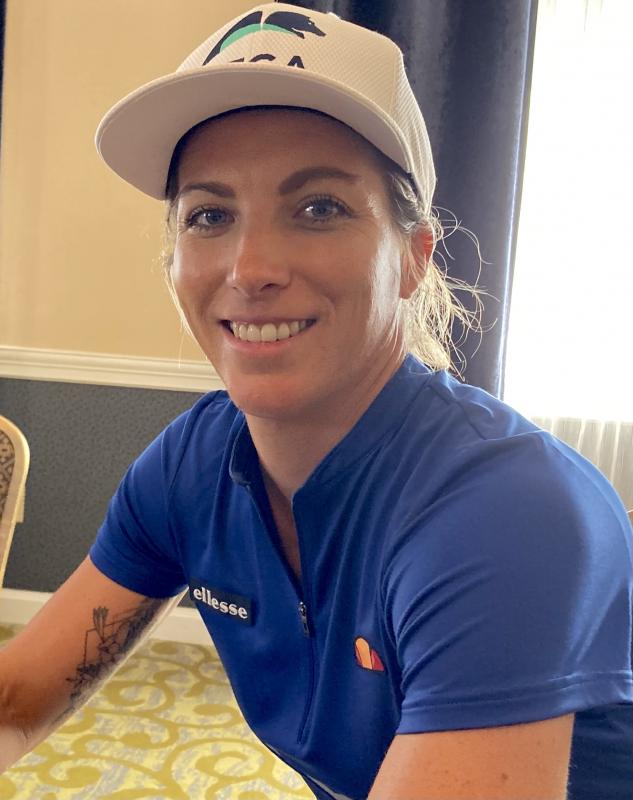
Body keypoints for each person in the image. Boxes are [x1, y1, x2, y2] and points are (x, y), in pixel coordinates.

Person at [1, 4, 631, 799]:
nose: (249, 267)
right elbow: (16, 701)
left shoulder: (509, 510)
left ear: (412, 258)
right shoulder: (192, 467)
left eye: (319, 208)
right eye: (209, 215)